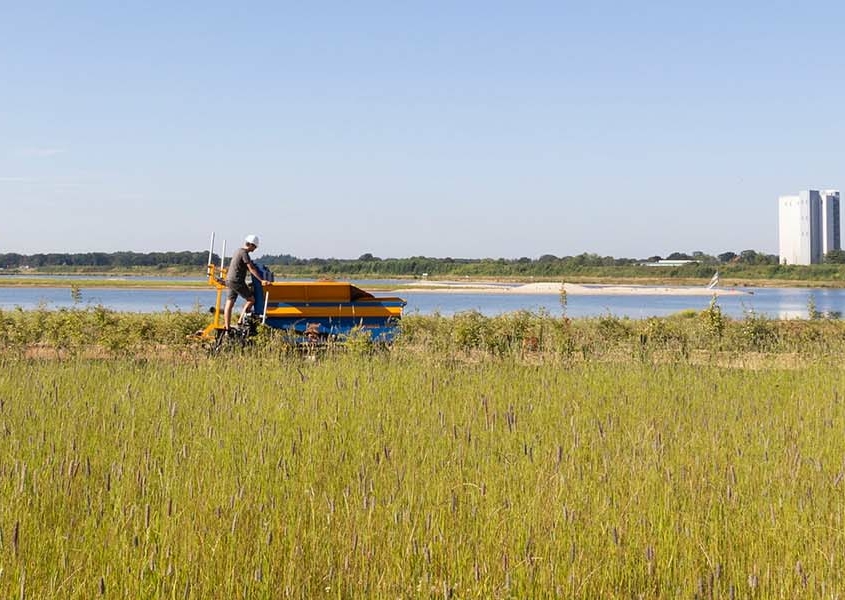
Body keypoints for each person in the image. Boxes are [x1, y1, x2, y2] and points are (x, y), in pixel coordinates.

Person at [223, 234, 269, 330]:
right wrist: (261, 280)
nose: (255, 249)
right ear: (251, 245)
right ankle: (240, 320)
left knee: (229, 303)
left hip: (230, 280)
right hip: (237, 281)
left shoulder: (237, 251)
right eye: (255, 246)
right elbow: (251, 268)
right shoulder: (244, 253)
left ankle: (227, 327)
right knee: (251, 300)